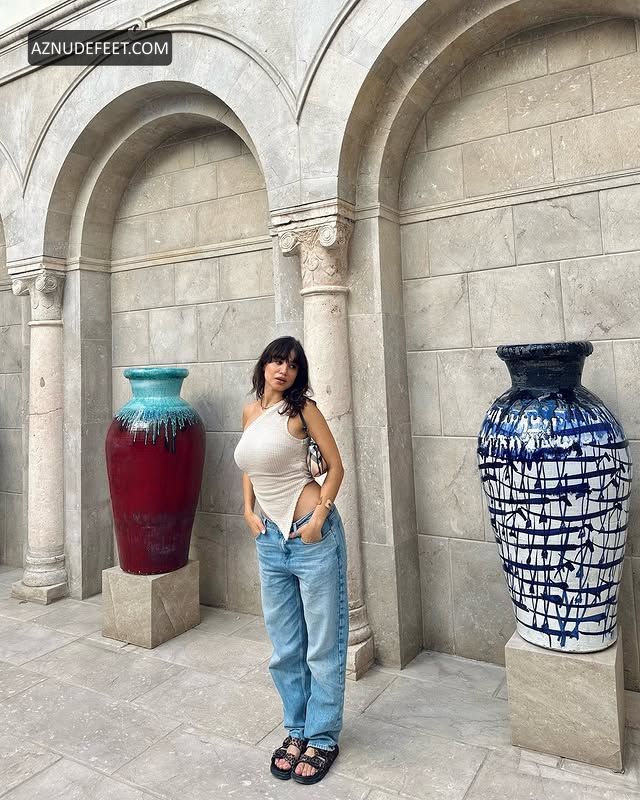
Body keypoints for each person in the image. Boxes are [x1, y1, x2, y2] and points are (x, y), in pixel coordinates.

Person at [233, 336, 348, 785]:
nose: (284, 369)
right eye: (278, 361)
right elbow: (251, 465)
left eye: (293, 365)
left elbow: (335, 467)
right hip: (270, 540)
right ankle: (296, 730)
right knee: (285, 647)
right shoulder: (250, 412)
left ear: (299, 374)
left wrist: (319, 517)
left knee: (322, 643)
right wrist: (247, 511)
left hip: (311, 535)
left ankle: (322, 737)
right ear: (264, 364)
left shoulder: (302, 411)